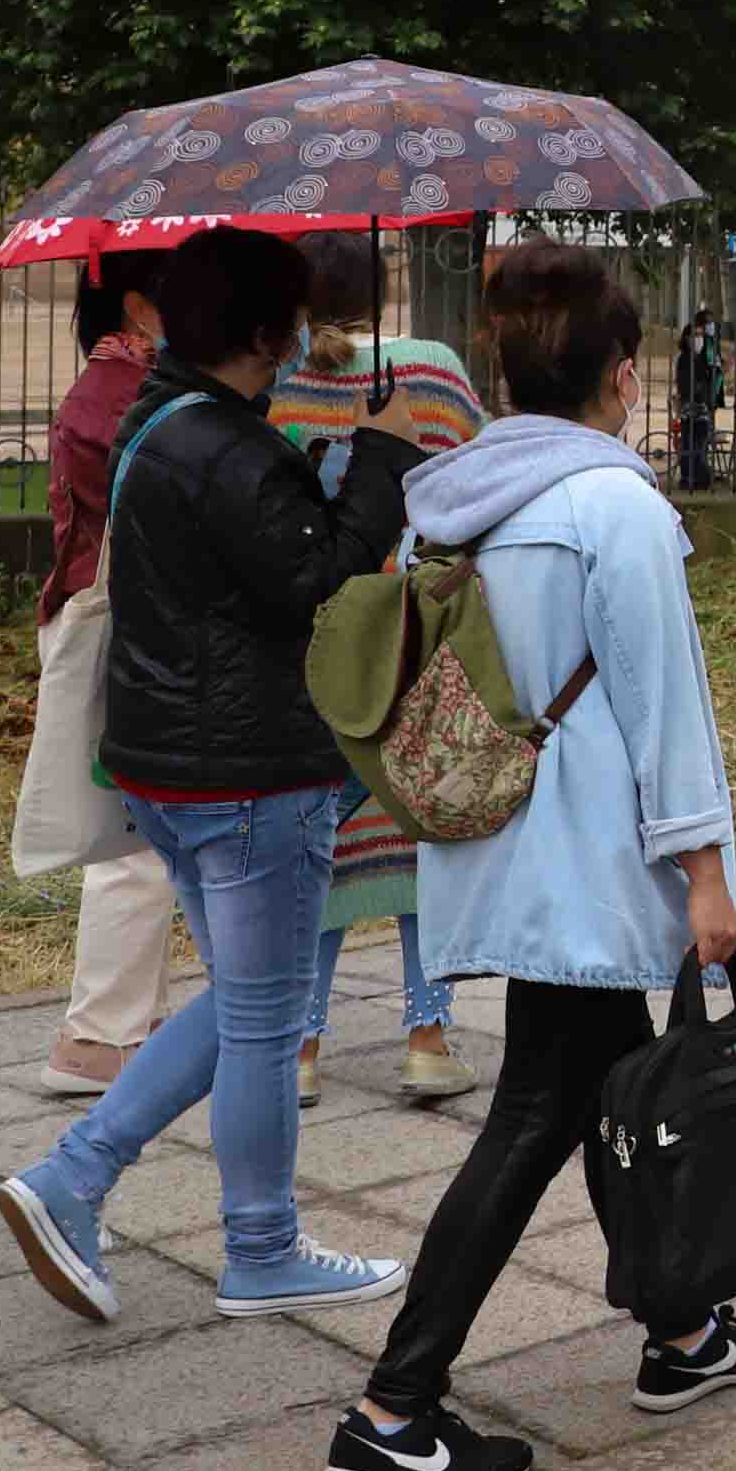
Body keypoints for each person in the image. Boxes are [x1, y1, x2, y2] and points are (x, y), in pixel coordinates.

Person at [320, 244, 736, 1471]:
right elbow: (662, 706)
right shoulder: (613, 507)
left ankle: (682, 1332)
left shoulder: (453, 498)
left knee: (602, 1088)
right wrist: (706, 876)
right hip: (585, 852)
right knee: (539, 1110)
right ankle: (394, 1401)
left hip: (497, 837)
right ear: (625, 373)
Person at [0, 226, 419, 1329]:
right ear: (268, 331)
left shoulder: (164, 419)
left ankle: (73, 1180)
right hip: (249, 776)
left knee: (247, 998)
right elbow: (316, 579)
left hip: (173, 771)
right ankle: (256, 1244)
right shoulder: (224, 444)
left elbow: (250, 561)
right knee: (267, 1019)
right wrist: (378, 460)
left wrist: (318, 476)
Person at [264, 234, 487, 1109]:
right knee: (418, 825)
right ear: (381, 285)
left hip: (310, 640)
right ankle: (427, 1038)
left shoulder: (275, 381)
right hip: (410, 633)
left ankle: (303, 1048)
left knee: (317, 839)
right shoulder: (427, 370)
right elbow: (477, 472)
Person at [34, 254, 175, 1098]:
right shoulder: (118, 397)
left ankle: (135, 1026)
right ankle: (96, 1038)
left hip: (111, 622)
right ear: (136, 301)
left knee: (143, 837)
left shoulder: (124, 382)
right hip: (114, 627)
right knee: (132, 844)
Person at [673, 306, 727, 492]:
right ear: (687, 338)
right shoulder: (684, 359)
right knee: (691, 442)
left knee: (700, 441)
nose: (698, 339)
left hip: (704, 406)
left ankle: (698, 475)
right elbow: (685, 384)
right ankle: (691, 477)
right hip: (692, 407)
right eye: (694, 335)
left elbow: (711, 374)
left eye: (700, 335)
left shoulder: (704, 355)